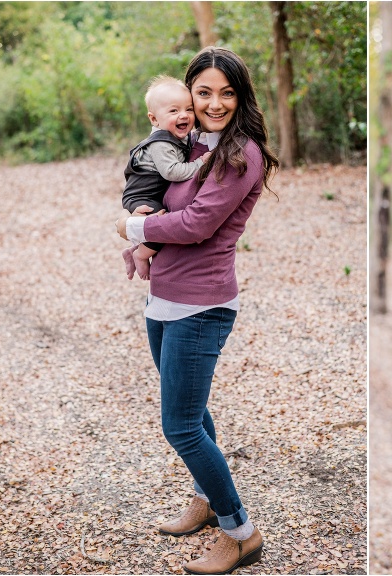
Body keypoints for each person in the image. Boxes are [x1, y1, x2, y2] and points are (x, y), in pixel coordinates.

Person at [116, 46, 279, 574]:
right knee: (192, 410)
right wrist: (139, 217)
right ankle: (205, 499)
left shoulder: (239, 153)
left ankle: (240, 531)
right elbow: (155, 192)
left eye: (226, 92)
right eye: (203, 92)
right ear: (188, 96)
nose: (213, 103)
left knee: (180, 424)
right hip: (163, 296)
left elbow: (196, 224)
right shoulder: (187, 142)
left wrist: (134, 228)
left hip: (201, 305)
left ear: (240, 96)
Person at [121, 75, 211, 280]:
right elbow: (172, 172)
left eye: (189, 109)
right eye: (174, 110)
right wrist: (200, 164)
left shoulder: (178, 135)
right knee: (161, 225)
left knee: (160, 223)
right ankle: (140, 255)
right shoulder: (160, 143)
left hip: (151, 192)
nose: (184, 115)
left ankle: (133, 250)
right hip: (141, 194)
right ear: (154, 119)